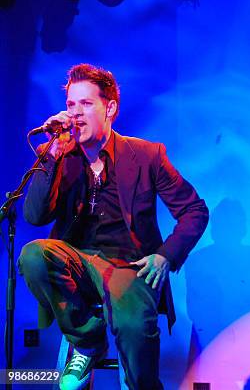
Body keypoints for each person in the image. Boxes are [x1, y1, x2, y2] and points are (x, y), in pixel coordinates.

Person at [18, 63, 209, 390]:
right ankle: (87, 341)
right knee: (33, 255)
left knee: (134, 326)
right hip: (76, 262)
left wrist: (164, 256)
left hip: (128, 266)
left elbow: (194, 210)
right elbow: (35, 216)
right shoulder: (63, 154)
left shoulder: (147, 155)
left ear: (110, 108)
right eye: (70, 105)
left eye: (86, 104)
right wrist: (51, 153)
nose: (75, 114)